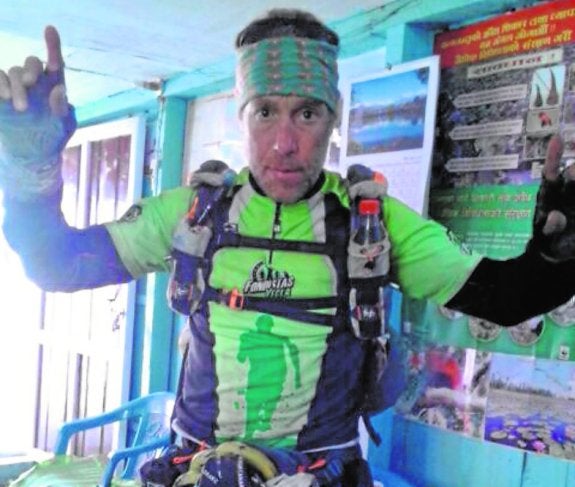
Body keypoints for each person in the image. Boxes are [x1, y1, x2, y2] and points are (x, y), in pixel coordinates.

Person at [2, 8, 575, 487]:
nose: (284, 141)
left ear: (334, 119)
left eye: (306, 112)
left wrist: (558, 253)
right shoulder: (192, 214)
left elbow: (507, 299)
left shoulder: (371, 225)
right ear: (240, 113)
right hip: (194, 469)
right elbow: (55, 266)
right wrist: (31, 171)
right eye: (266, 111)